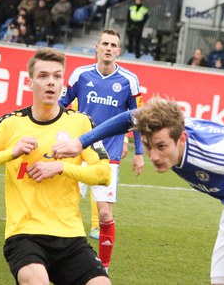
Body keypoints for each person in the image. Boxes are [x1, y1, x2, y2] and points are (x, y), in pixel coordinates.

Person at [50, 96, 224, 285]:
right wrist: (81, 142)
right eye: (149, 147)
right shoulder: (164, 130)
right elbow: (130, 117)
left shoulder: (218, 152)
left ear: (182, 138)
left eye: (162, 146)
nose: (155, 156)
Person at [0, 48, 112, 285]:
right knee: (36, 281)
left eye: (57, 76)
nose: (51, 82)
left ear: (63, 83)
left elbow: (103, 174)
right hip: (25, 235)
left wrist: (61, 168)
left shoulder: (81, 123)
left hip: (70, 235)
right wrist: (11, 152)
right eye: (43, 76)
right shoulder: (10, 123)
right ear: (29, 82)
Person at [58, 29, 144, 270]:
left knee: (105, 214)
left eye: (113, 45)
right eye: (105, 43)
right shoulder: (80, 75)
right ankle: (61, 256)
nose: (108, 48)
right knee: (64, 208)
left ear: (119, 51)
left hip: (108, 156)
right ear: (97, 47)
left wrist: (139, 153)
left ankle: (103, 268)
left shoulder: (129, 81)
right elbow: (61, 105)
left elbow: (137, 119)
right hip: (78, 152)